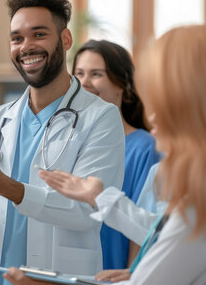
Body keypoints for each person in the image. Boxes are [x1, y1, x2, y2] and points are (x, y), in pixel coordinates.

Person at [4, 24, 206, 285]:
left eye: (162, 102)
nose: (155, 118)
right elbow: (172, 237)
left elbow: (181, 240)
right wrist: (100, 197)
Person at [0, 0, 126, 285]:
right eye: (17, 38)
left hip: (62, 278)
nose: (26, 46)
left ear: (66, 39)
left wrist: (6, 187)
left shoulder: (100, 118)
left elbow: (88, 208)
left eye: (39, 34)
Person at [73, 39, 160, 269]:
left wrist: (132, 275)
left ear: (121, 84)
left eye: (96, 74)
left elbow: (143, 224)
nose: (85, 83)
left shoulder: (144, 147)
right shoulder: (69, 145)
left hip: (113, 272)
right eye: (79, 74)